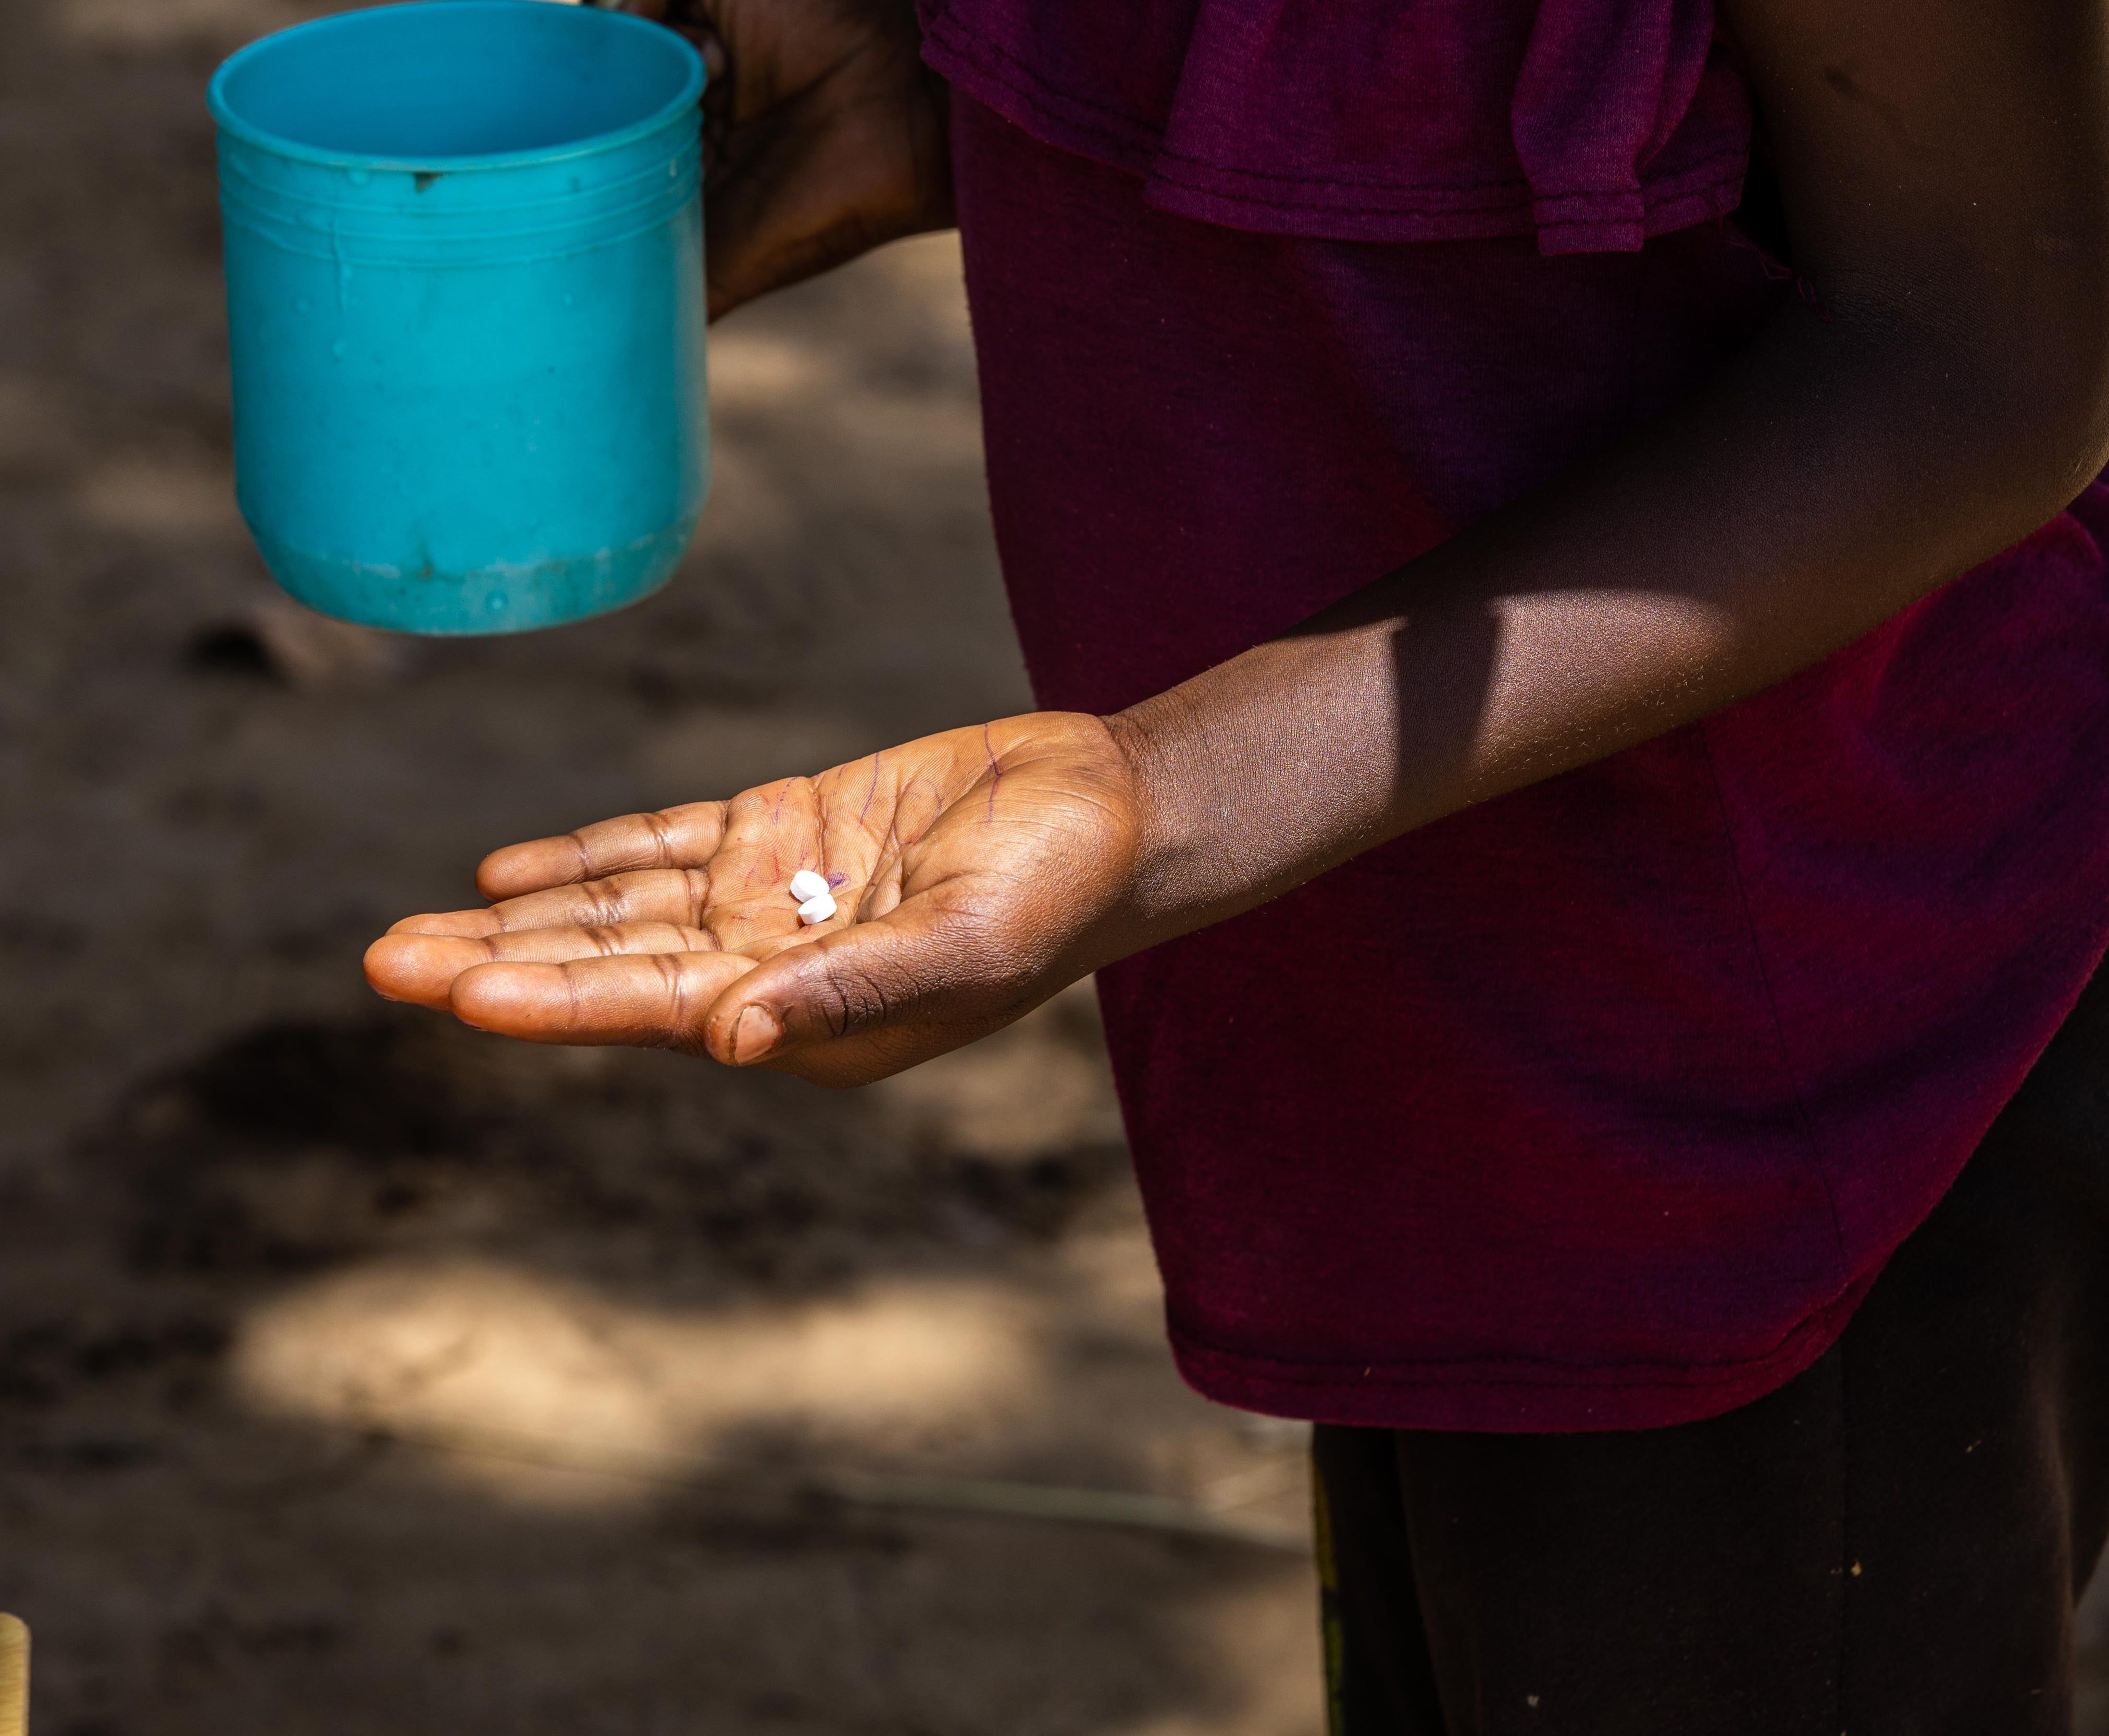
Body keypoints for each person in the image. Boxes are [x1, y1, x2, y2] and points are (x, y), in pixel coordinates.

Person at [366, 0, 2109, 1726]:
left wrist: (1164, 794)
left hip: (1788, 1101)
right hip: (1382, 1025)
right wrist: (930, 87)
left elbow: (1991, 356)